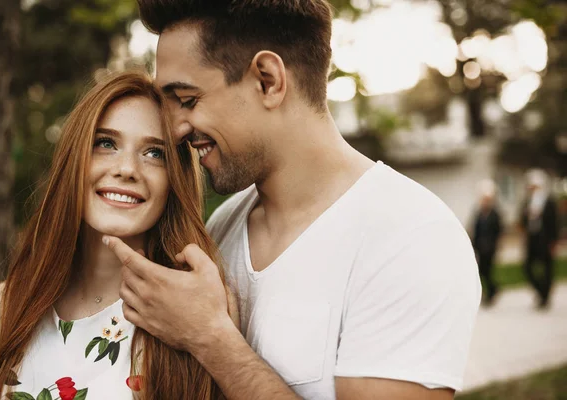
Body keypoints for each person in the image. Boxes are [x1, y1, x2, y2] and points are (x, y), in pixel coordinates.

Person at [104, 1, 482, 399]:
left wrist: (210, 339)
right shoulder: (221, 229)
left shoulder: (411, 238)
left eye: (187, 99)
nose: (176, 128)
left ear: (268, 80)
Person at [0, 71, 237, 400]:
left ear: (175, 181)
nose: (127, 169)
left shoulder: (204, 308)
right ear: (75, 159)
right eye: (106, 143)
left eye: (154, 153)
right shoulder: (0, 309)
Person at [520, 168, 558, 309]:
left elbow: (554, 222)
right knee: (527, 267)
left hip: (545, 239)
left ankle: (545, 297)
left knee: (547, 269)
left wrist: (554, 241)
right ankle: (541, 291)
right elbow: (523, 221)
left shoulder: (549, 201)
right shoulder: (528, 202)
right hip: (532, 238)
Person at [471, 179, 503, 306]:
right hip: (480, 247)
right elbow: (475, 229)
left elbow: (498, 231)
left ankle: (491, 293)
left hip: (490, 248)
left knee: (487, 270)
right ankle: (493, 290)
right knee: (482, 271)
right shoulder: (479, 213)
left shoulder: (495, 214)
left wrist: (495, 245)